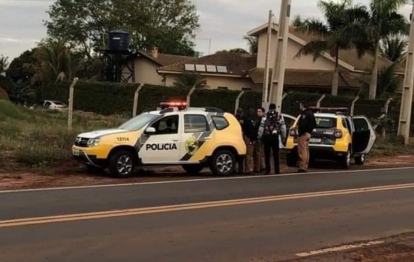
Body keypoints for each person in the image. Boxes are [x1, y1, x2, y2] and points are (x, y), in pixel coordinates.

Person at [262, 103, 286, 174]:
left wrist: (260, 136)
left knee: (267, 154)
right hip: (275, 137)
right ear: (275, 108)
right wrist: (283, 137)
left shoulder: (265, 115)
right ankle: (277, 170)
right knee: (276, 154)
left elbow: (261, 127)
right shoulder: (279, 115)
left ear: (269, 108)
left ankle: (267, 170)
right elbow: (283, 127)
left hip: (267, 136)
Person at [297, 101, 316, 173]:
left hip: (304, 134)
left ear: (302, 106)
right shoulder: (311, 113)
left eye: (300, 105)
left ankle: (302, 166)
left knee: (302, 150)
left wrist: (301, 132)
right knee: (306, 149)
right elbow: (314, 124)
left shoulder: (305, 114)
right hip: (309, 133)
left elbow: (303, 125)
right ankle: (305, 165)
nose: (299, 106)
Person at [235, 108, 256, 174]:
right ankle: (248, 170)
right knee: (248, 154)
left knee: (240, 154)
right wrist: (253, 138)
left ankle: (240, 169)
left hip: (238, 138)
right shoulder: (247, 120)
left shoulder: (236, 119)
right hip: (247, 137)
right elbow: (250, 130)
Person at [253, 107, 266, 173]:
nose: (258, 113)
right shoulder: (258, 119)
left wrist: (259, 137)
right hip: (260, 138)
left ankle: (257, 168)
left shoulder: (263, 120)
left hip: (260, 138)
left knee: (258, 153)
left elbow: (261, 130)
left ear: (263, 112)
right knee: (260, 153)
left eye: (260, 111)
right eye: (257, 111)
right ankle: (262, 166)